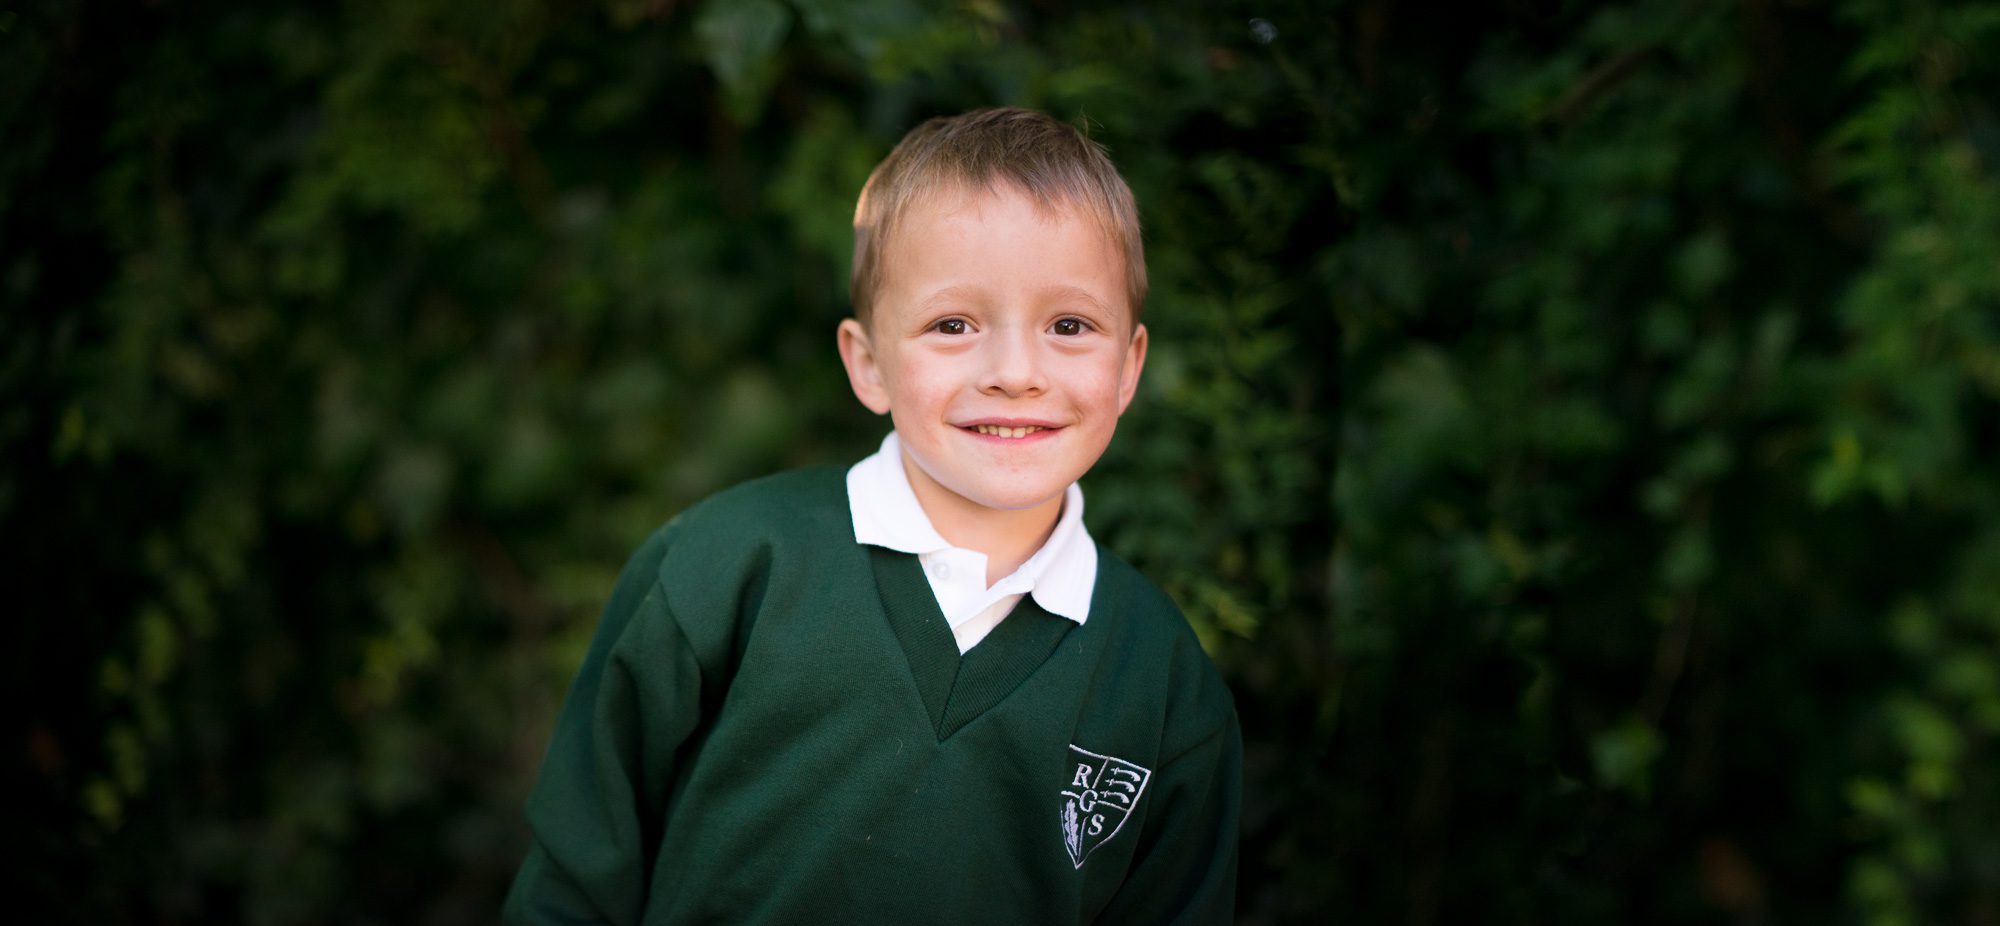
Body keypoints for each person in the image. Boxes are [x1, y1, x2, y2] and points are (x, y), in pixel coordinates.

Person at [504, 106, 1240, 925]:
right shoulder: (728, 568)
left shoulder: (1163, 679)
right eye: (953, 325)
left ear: (1129, 366)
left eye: (1070, 325)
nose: (1015, 371)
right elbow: (576, 879)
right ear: (869, 364)